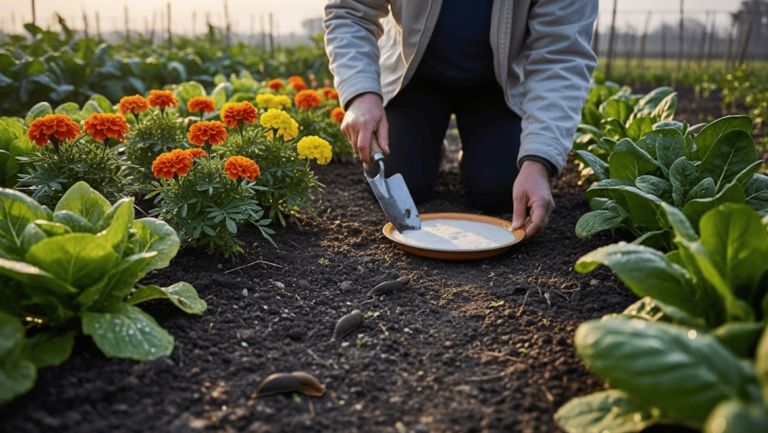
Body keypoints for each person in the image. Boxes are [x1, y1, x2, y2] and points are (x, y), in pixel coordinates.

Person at [323, 0, 597, 238]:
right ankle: (428, 143)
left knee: (503, 189)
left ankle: (477, 148)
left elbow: (562, 55)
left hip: (499, 87)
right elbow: (350, 12)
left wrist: (539, 159)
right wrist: (361, 93)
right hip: (413, 78)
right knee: (399, 174)